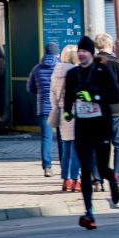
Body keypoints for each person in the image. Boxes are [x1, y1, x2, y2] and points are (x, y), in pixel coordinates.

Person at [63, 36, 119, 229]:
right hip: (82, 127)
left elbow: (115, 96)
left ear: (91, 53)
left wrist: (94, 97)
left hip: (101, 125)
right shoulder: (72, 74)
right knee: (86, 169)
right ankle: (89, 212)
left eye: (85, 51)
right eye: (79, 51)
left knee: (103, 168)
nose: (81, 54)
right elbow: (68, 95)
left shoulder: (102, 71)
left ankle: (112, 180)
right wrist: (67, 111)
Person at [94, 33, 119, 188]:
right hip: (117, 109)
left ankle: (97, 179)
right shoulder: (118, 63)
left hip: (96, 110)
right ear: (111, 46)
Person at [49, 45, 81, 192]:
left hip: (62, 113)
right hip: (76, 112)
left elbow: (52, 93)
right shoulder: (75, 72)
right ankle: (75, 179)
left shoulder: (56, 72)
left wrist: (57, 106)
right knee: (76, 147)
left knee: (66, 147)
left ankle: (65, 179)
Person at [26, 42, 59, 177]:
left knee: (46, 138)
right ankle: (65, 166)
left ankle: (47, 167)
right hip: (59, 107)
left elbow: (30, 88)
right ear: (57, 53)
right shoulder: (61, 67)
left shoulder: (37, 68)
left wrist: (41, 91)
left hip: (44, 108)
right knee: (63, 138)